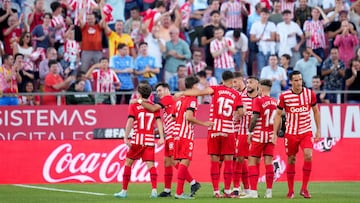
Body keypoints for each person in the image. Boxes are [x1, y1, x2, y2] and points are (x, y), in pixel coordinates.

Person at [176, 70, 244, 198]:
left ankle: (216, 191)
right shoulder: (236, 94)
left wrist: (182, 93)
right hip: (228, 130)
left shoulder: (215, 89)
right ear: (231, 81)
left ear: (222, 79)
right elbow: (241, 113)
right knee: (228, 161)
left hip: (214, 129)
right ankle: (228, 191)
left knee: (214, 161)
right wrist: (239, 111)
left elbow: (199, 92)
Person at [273, 70, 321, 199]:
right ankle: (290, 190)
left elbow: (316, 111)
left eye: (300, 79)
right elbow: (278, 115)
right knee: (291, 159)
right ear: (291, 82)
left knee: (308, 155)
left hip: (306, 131)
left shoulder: (310, 94)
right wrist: (274, 133)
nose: (299, 82)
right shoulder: (284, 96)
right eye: (296, 80)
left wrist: (318, 130)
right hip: (291, 133)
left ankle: (304, 188)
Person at [114, 82, 164, 199]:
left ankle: (124, 191)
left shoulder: (134, 105)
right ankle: (154, 191)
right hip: (149, 140)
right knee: (151, 165)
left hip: (137, 140)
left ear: (139, 93)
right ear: (150, 94)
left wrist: (126, 137)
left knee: (128, 163)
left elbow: (130, 122)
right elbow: (158, 122)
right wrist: (161, 137)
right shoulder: (154, 106)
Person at [173, 76, 213, 199]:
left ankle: (193, 183)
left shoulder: (179, 99)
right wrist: (204, 123)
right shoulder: (192, 100)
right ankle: (179, 192)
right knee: (184, 162)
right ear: (194, 86)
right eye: (198, 85)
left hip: (176, 133)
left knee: (179, 163)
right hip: (185, 134)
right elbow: (189, 117)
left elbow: (174, 117)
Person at [240, 79, 277, 199]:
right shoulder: (275, 102)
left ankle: (253, 192)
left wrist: (250, 132)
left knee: (251, 161)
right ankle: (269, 192)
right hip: (270, 135)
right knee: (268, 163)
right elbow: (279, 120)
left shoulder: (258, 100)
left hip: (259, 135)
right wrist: (275, 133)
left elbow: (255, 118)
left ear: (260, 87)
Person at [233, 76, 259, 197]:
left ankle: (252, 190)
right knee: (239, 160)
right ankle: (237, 188)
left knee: (255, 162)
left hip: (257, 134)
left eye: (251, 82)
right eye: (247, 82)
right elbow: (235, 116)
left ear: (257, 84)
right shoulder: (241, 97)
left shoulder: (261, 99)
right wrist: (239, 113)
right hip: (243, 133)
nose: (248, 84)